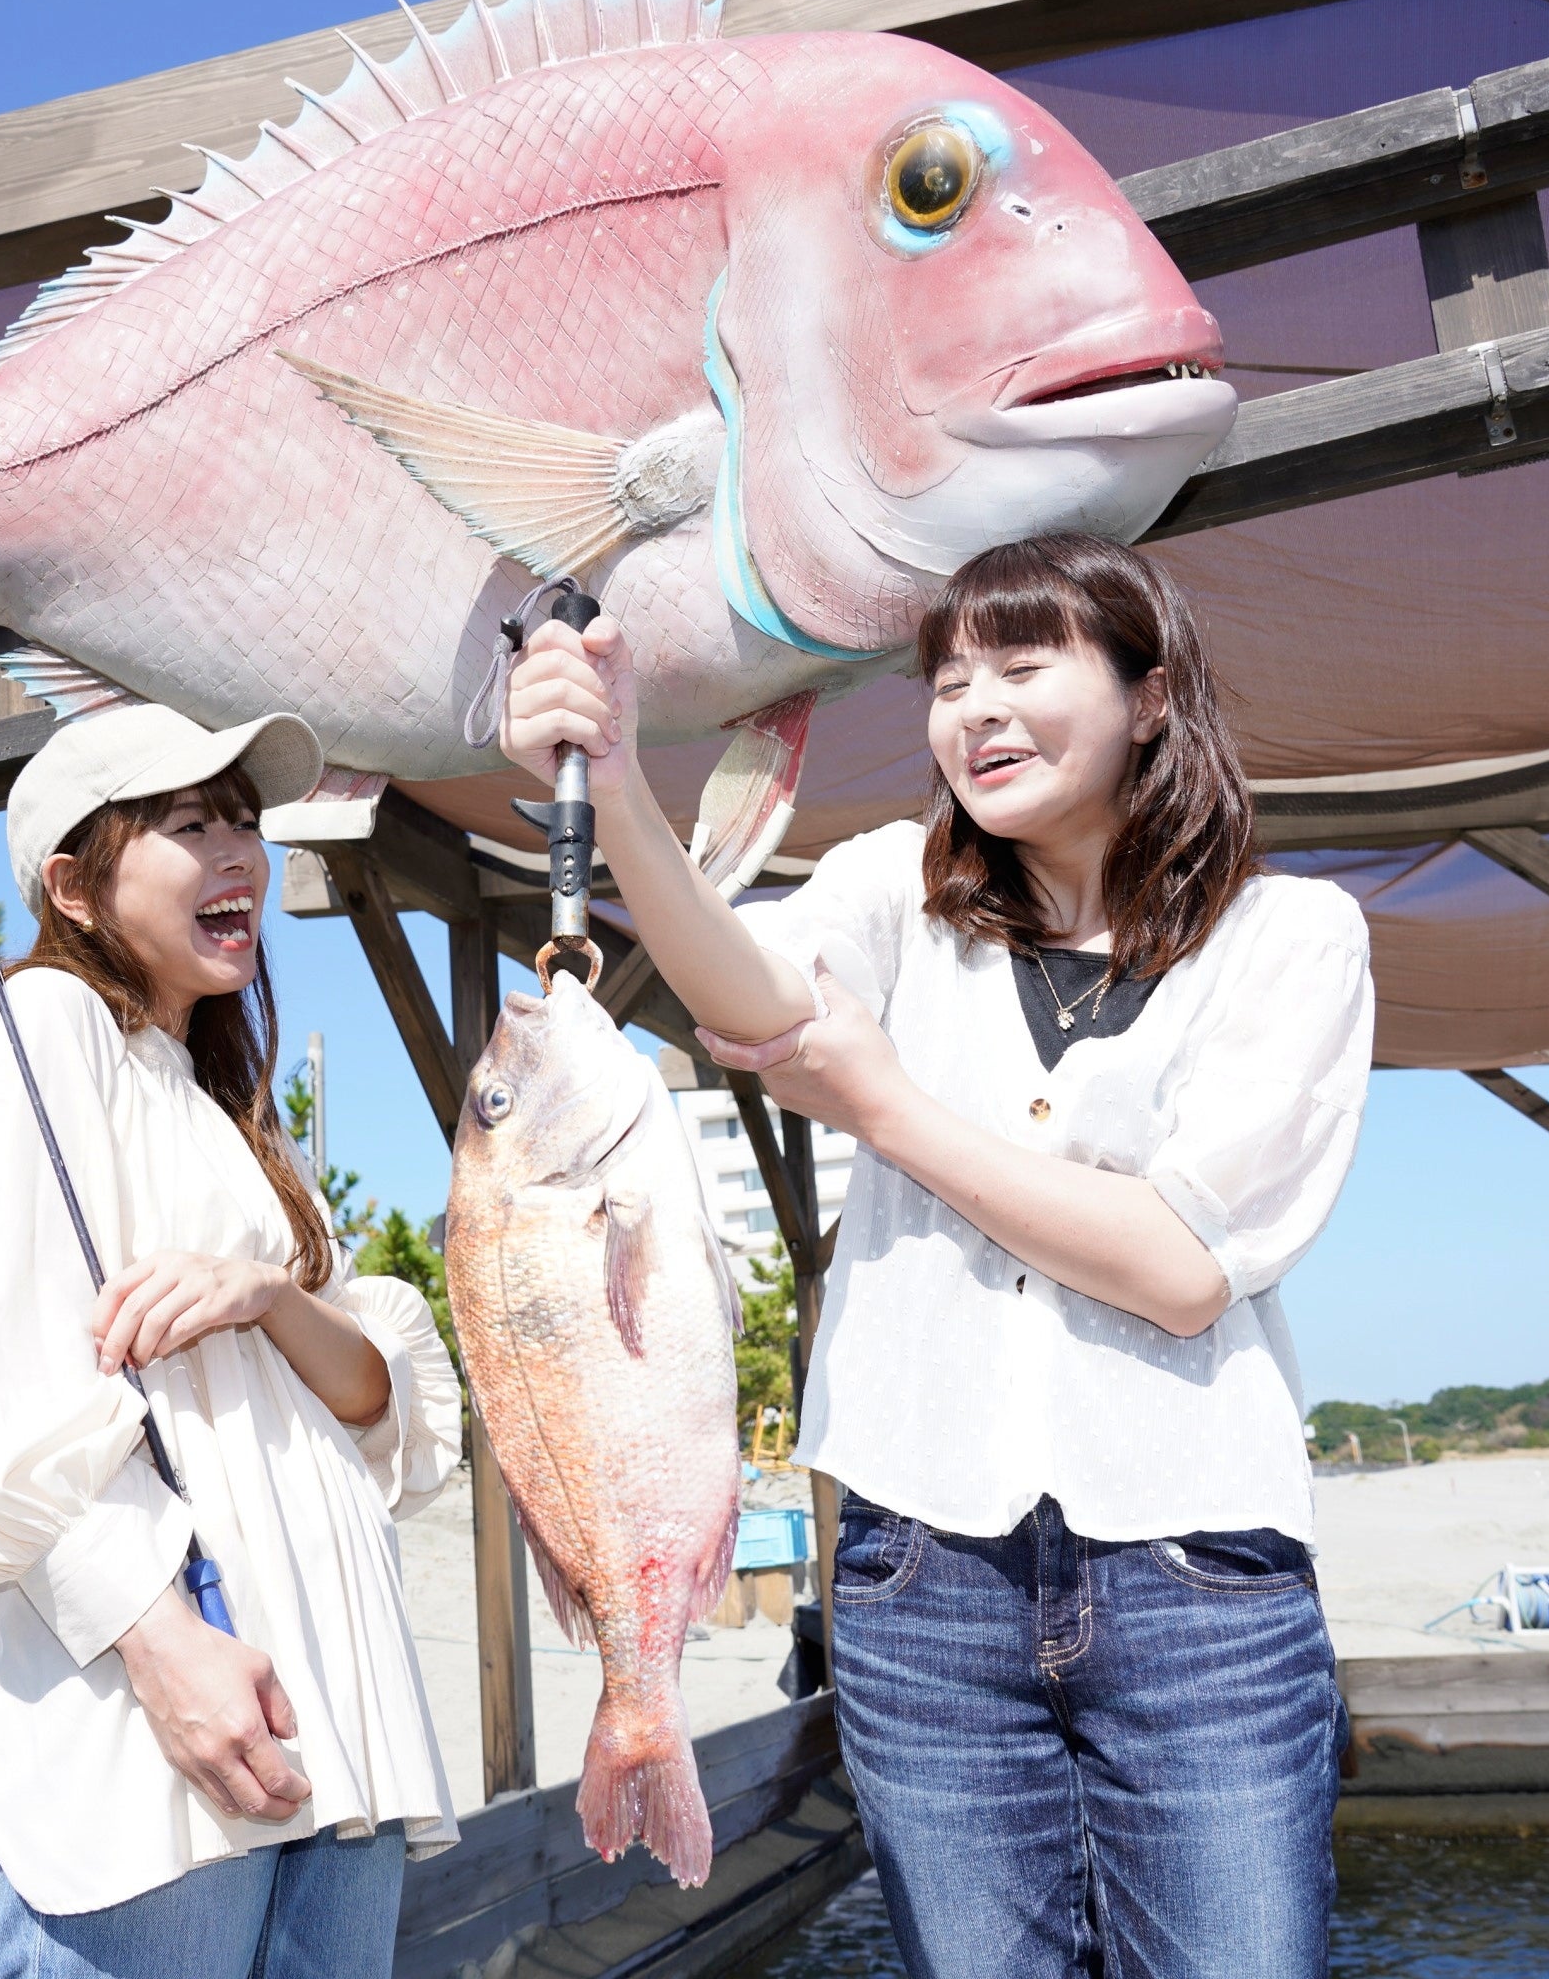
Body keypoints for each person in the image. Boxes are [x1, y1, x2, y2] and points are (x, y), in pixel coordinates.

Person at [500, 533, 1373, 1979]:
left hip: (1201, 1568)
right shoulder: (888, 887)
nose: (975, 709)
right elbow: (756, 998)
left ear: (1153, 696)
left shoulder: (1290, 937)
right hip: (921, 1574)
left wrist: (887, 1106)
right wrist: (622, 784)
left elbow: (1178, 1266)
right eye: (949, 679)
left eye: (1024, 668)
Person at [0, 704, 462, 1979]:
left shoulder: (228, 1110)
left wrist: (265, 1293)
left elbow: (379, 1405)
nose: (236, 848)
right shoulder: (47, 1027)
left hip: (325, 1730)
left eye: (242, 816)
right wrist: (163, 1645)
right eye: (189, 823)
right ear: (72, 887)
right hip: (150, 1738)